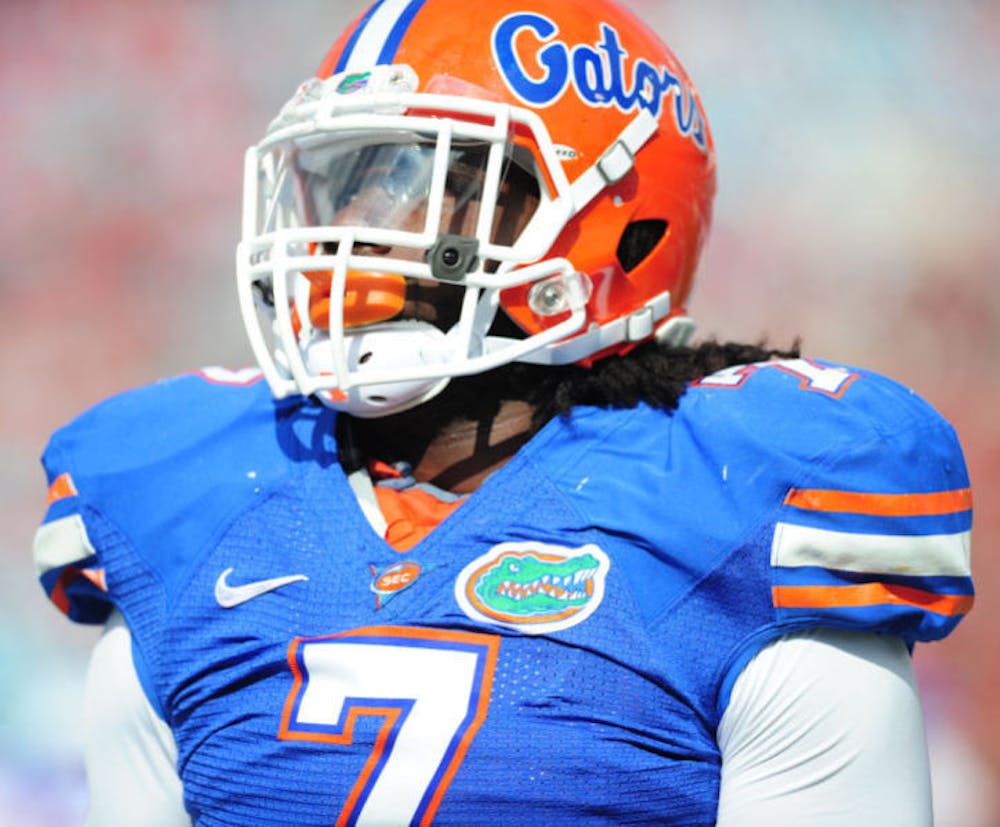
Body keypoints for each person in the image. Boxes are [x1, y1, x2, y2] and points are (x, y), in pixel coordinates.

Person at [34, 1, 974, 824]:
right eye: (351, 180)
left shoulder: (735, 506)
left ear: (613, 218)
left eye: (415, 180)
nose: (355, 229)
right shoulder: (187, 499)